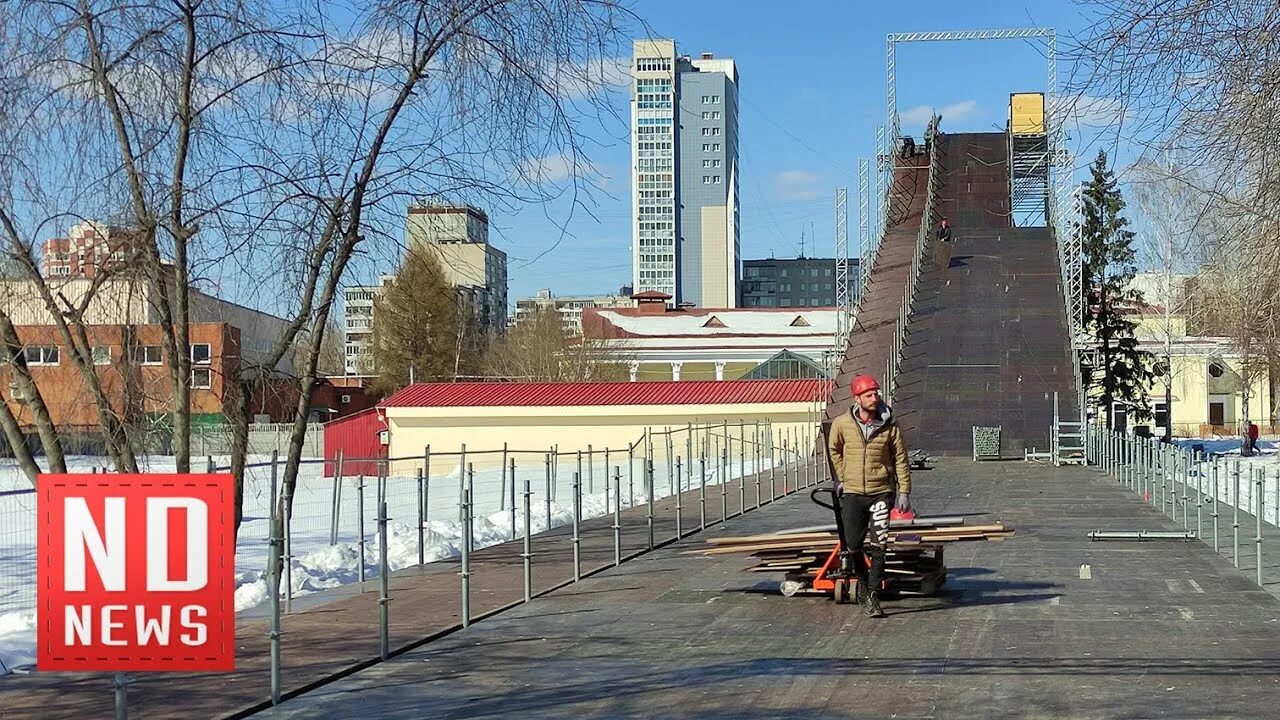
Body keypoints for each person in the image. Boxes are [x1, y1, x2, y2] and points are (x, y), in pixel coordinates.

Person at [826, 374, 912, 618]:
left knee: (879, 545)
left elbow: (901, 459)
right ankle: (863, 583)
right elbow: (834, 449)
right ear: (857, 398)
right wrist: (843, 477)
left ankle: (873, 595)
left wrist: (904, 490)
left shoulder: (889, 425)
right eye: (869, 395)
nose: (874, 398)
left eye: (876, 394)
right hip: (853, 493)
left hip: (880, 493)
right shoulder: (842, 423)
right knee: (852, 545)